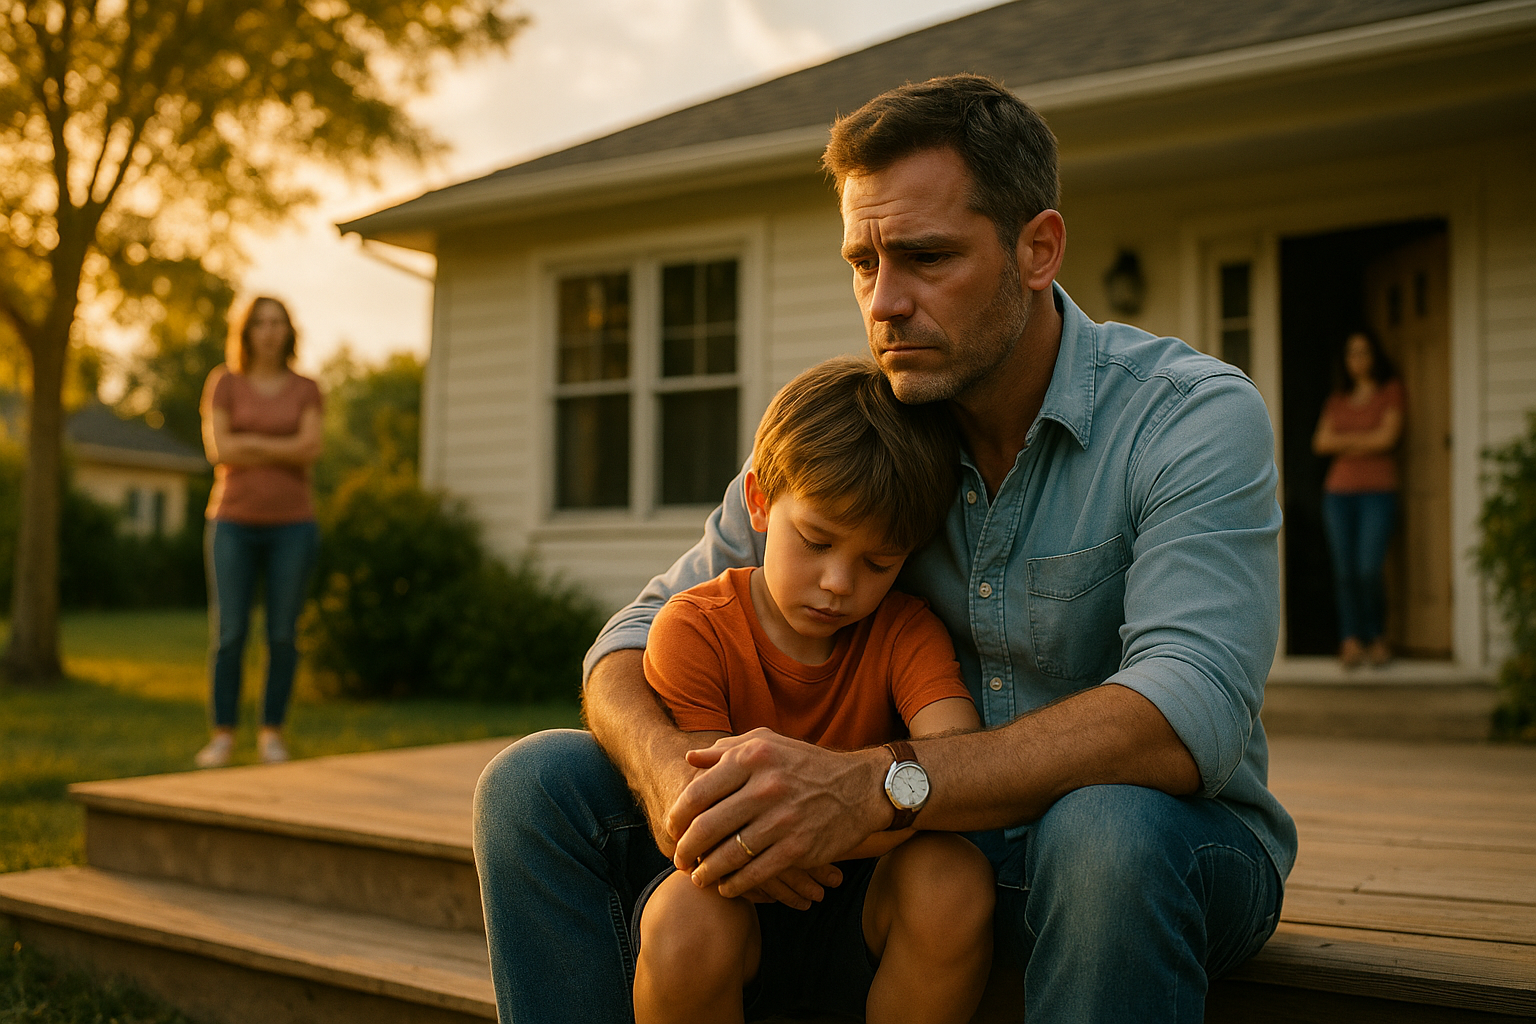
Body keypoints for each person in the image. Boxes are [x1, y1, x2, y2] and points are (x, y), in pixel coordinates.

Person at [474, 74, 1295, 1024]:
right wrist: (673, 782)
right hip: (888, 876)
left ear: (1038, 249)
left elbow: (1187, 706)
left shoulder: (1188, 416)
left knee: (1104, 829)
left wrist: (876, 786)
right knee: (535, 784)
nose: (885, 303)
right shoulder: (861, 430)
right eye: (863, 263)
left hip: (1148, 861)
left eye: (925, 257)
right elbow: (629, 641)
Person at [632, 356, 992, 1024]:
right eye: (817, 540)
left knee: (953, 880)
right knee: (684, 917)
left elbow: (956, 760)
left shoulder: (905, 632)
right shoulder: (695, 628)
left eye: (877, 562)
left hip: (863, 899)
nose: (837, 582)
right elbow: (711, 813)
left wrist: (833, 827)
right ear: (761, 501)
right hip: (734, 894)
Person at [194, 297, 323, 768]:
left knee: (283, 634)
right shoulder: (224, 382)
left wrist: (248, 445)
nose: (270, 332)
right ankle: (223, 735)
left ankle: (271, 733)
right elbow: (218, 448)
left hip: (293, 526)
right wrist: (279, 447)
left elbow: (310, 448)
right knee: (229, 633)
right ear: (245, 331)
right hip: (231, 522)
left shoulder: (307, 388)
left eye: (278, 323)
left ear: (290, 332)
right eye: (260, 323)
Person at [1312, 329, 1404, 668]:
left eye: (1364, 352)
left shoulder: (1390, 392)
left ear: (1375, 355)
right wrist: (1366, 439)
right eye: (1352, 353)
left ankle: (1376, 637)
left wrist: (1346, 442)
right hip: (1337, 494)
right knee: (1344, 571)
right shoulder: (1336, 399)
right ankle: (1350, 641)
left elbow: (1388, 438)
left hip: (1378, 493)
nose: (1358, 359)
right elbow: (1320, 443)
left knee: (1368, 568)